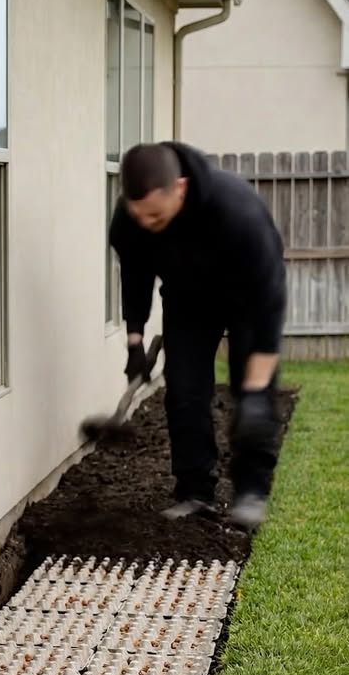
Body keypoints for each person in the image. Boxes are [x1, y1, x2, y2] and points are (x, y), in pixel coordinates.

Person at [109, 142, 287, 530]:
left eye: (155, 216)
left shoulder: (237, 212)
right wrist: (135, 341)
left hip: (247, 299)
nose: (146, 224)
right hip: (187, 300)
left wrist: (257, 387)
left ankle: (251, 492)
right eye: (139, 216)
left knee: (253, 397)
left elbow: (269, 303)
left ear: (181, 189)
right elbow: (136, 277)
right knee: (184, 392)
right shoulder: (130, 220)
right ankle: (195, 491)